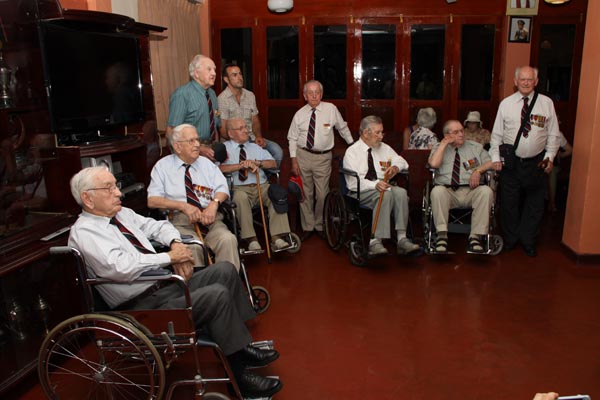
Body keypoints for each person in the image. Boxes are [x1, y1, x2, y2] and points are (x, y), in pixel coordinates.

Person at [68, 166, 283, 398]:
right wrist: (170, 258)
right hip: (140, 308)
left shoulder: (121, 214)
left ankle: (240, 348)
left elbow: (158, 226)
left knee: (225, 270)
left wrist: (175, 244)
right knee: (216, 295)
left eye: (116, 186)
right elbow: (121, 267)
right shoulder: (85, 233)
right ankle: (239, 378)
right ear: (88, 198)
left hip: (163, 286)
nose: (118, 193)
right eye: (108, 188)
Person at [147, 124, 240, 270]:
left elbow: (223, 189)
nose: (197, 144)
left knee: (228, 239)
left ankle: (228, 282)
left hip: (210, 218)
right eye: (191, 141)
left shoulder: (207, 164)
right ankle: (202, 285)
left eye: (197, 140)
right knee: (193, 248)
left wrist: (214, 204)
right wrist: (183, 206)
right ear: (177, 146)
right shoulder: (162, 167)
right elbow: (152, 201)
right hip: (180, 222)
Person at [489, 66, 559, 257]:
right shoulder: (506, 104)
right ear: (515, 81)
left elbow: (553, 135)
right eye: (522, 79)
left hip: (537, 162)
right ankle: (511, 239)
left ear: (536, 82)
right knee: (509, 203)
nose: (526, 83)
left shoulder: (546, 103)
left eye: (530, 79)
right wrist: (495, 159)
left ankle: (528, 240)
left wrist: (549, 157)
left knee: (535, 204)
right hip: (511, 163)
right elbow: (496, 135)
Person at [343, 115, 420, 256]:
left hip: (384, 186)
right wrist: (375, 185)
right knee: (386, 194)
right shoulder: (352, 152)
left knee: (401, 192)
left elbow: (402, 161)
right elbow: (353, 183)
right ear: (365, 133)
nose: (381, 136)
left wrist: (395, 167)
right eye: (377, 132)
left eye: (382, 132)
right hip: (361, 190)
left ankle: (402, 238)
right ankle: (375, 241)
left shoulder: (384, 148)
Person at [287, 80, 354, 241]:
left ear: (321, 94)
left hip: (323, 158)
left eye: (317, 92)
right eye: (310, 93)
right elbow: (292, 138)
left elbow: (342, 128)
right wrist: (294, 160)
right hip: (303, 156)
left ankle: (319, 224)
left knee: (323, 194)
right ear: (305, 96)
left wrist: (353, 146)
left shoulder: (331, 109)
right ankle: (308, 227)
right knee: (305, 194)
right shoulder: (299, 114)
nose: (314, 95)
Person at [220, 118, 292, 252]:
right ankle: (251, 239)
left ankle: (277, 237)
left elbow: (273, 163)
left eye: (246, 127)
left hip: (261, 185)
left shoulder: (255, 147)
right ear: (230, 133)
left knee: (276, 194)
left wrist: (257, 163)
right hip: (238, 188)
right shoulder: (224, 148)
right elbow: (218, 168)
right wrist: (240, 165)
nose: (246, 130)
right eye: (241, 128)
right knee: (240, 198)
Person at [428, 120, 494, 253]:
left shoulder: (475, 147)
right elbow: (434, 164)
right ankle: (441, 236)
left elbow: (491, 162)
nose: (461, 134)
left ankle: (475, 237)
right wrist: (444, 144)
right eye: (456, 132)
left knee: (486, 191)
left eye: (462, 131)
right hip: (447, 192)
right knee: (437, 191)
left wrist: (478, 170)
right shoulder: (438, 147)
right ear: (447, 135)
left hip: (471, 191)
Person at [218, 63, 283, 168]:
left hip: (251, 138)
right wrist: (240, 139)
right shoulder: (222, 99)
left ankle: (264, 173)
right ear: (226, 79)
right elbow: (223, 130)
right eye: (234, 75)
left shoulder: (250, 95)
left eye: (240, 74)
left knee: (277, 151)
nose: (239, 77)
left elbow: (255, 121)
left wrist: (258, 137)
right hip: (233, 141)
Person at [167, 55, 221, 161]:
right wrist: (199, 148)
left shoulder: (212, 94)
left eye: (214, 69)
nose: (214, 73)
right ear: (196, 73)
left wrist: (216, 149)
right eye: (209, 69)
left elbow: (215, 126)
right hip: (189, 154)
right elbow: (171, 132)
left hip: (210, 152)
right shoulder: (182, 94)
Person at [548, 131, 573, 213]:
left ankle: (551, 204)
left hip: (553, 166)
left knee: (551, 172)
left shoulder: (558, 134)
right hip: (537, 166)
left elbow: (570, 150)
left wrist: (561, 155)